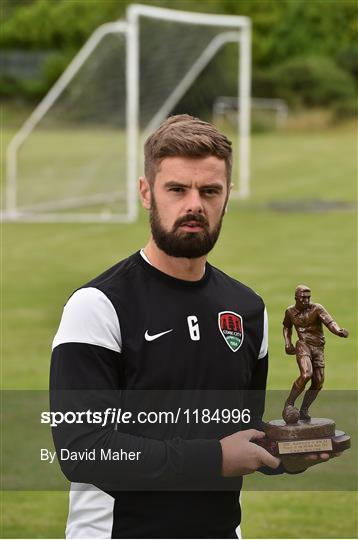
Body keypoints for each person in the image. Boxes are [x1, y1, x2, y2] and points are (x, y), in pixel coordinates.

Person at [51, 115, 335, 539]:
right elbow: (84, 450)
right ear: (147, 193)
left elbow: (237, 430)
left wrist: (283, 452)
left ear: (227, 197)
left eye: (209, 191)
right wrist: (215, 458)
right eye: (177, 189)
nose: (194, 205)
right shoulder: (97, 306)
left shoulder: (246, 309)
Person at [282, 284, 349, 422]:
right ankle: (289, 403)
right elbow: (287, 327)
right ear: (296, 298)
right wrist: (288, 343)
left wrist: (338, 331)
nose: (306, 301)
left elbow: (329, 322)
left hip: (318, 347)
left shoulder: (317, 308)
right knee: (306, 374)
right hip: (303, 344)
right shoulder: (290, 312)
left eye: (308, 298)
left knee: (318, 382)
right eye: (303, 298)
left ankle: (304, 410)